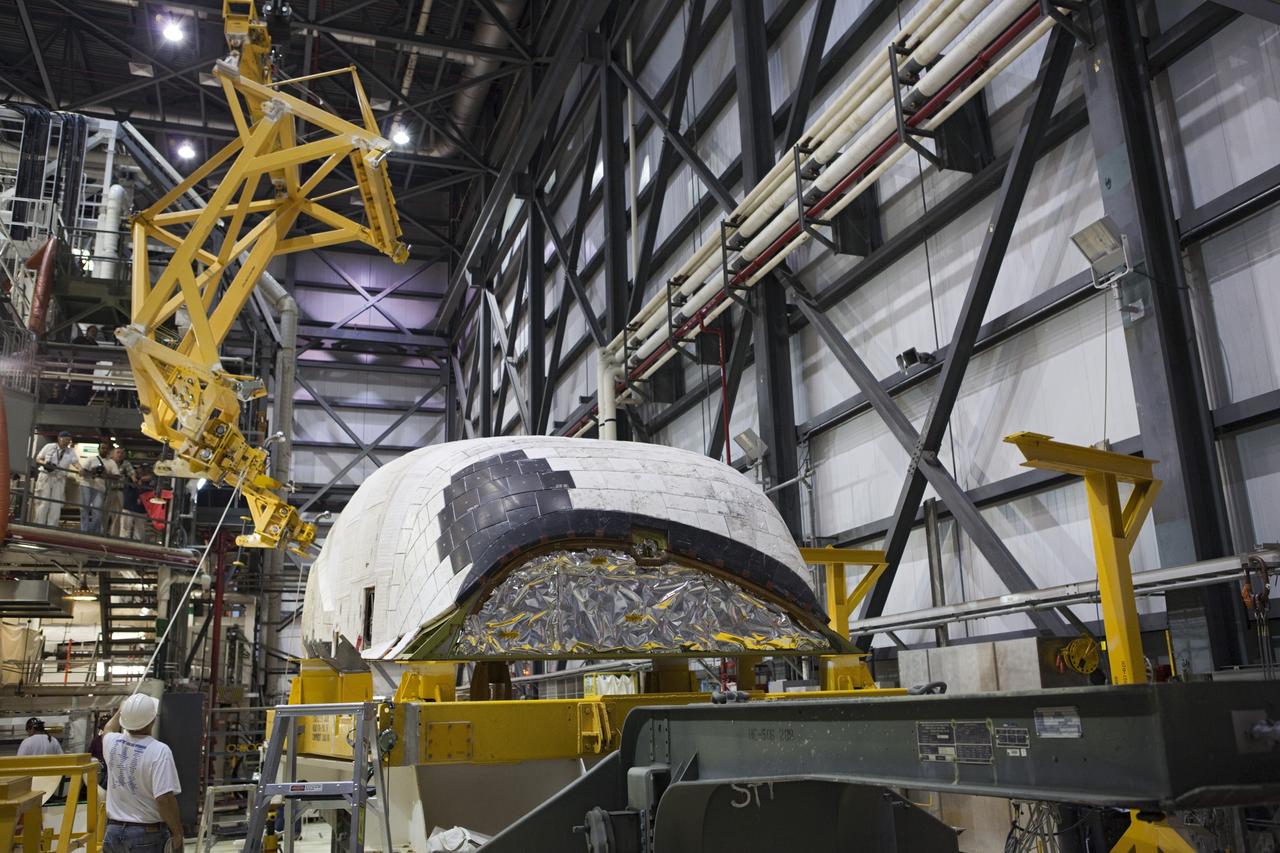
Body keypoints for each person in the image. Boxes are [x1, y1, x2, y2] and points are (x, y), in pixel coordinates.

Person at [102, 694, 183, 853]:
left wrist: (121, 710)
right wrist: (177, 832)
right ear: (153, 719)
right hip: (146, 835)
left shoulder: (112, 743)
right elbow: (164, 799)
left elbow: (108, 728)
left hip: (113, 832)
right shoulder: (159, 751)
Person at [33, 431, 80, 527]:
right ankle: (39, 525)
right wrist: (46, 464)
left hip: (59, 479)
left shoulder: (70, 451)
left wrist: (81, 470)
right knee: (44, 502)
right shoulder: (49, 446)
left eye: (69, 440)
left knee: (56, 504)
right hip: (46, 476)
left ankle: (52, 527)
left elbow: (75, 463)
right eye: (65, 439)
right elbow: (38, 458)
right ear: (59, 438)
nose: (67, 442)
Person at [80, 442, 112, 535]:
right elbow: (82, 472)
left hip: (100, 487)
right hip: (87, 485)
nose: (104, 450)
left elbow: (114, 476)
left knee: (97, 511)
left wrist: (105, 473)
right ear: (98, 449)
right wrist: (92, 471)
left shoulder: (110, 462)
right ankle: (84, 531)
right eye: (102, 448)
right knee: (84, 508)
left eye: (106, 448)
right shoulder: (90, 459)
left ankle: (93, 531)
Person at [104, 447, 133, 536]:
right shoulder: (108, 462)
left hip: (121, 490)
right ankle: (102, 531)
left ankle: (114, 534)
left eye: (121, 453)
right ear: (113, 454)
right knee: (105, 512)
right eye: (118, 452)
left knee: (119, 514)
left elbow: (131, 473)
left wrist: (135, 479)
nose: (120, 454)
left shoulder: (125, 463)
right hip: (109, 490)